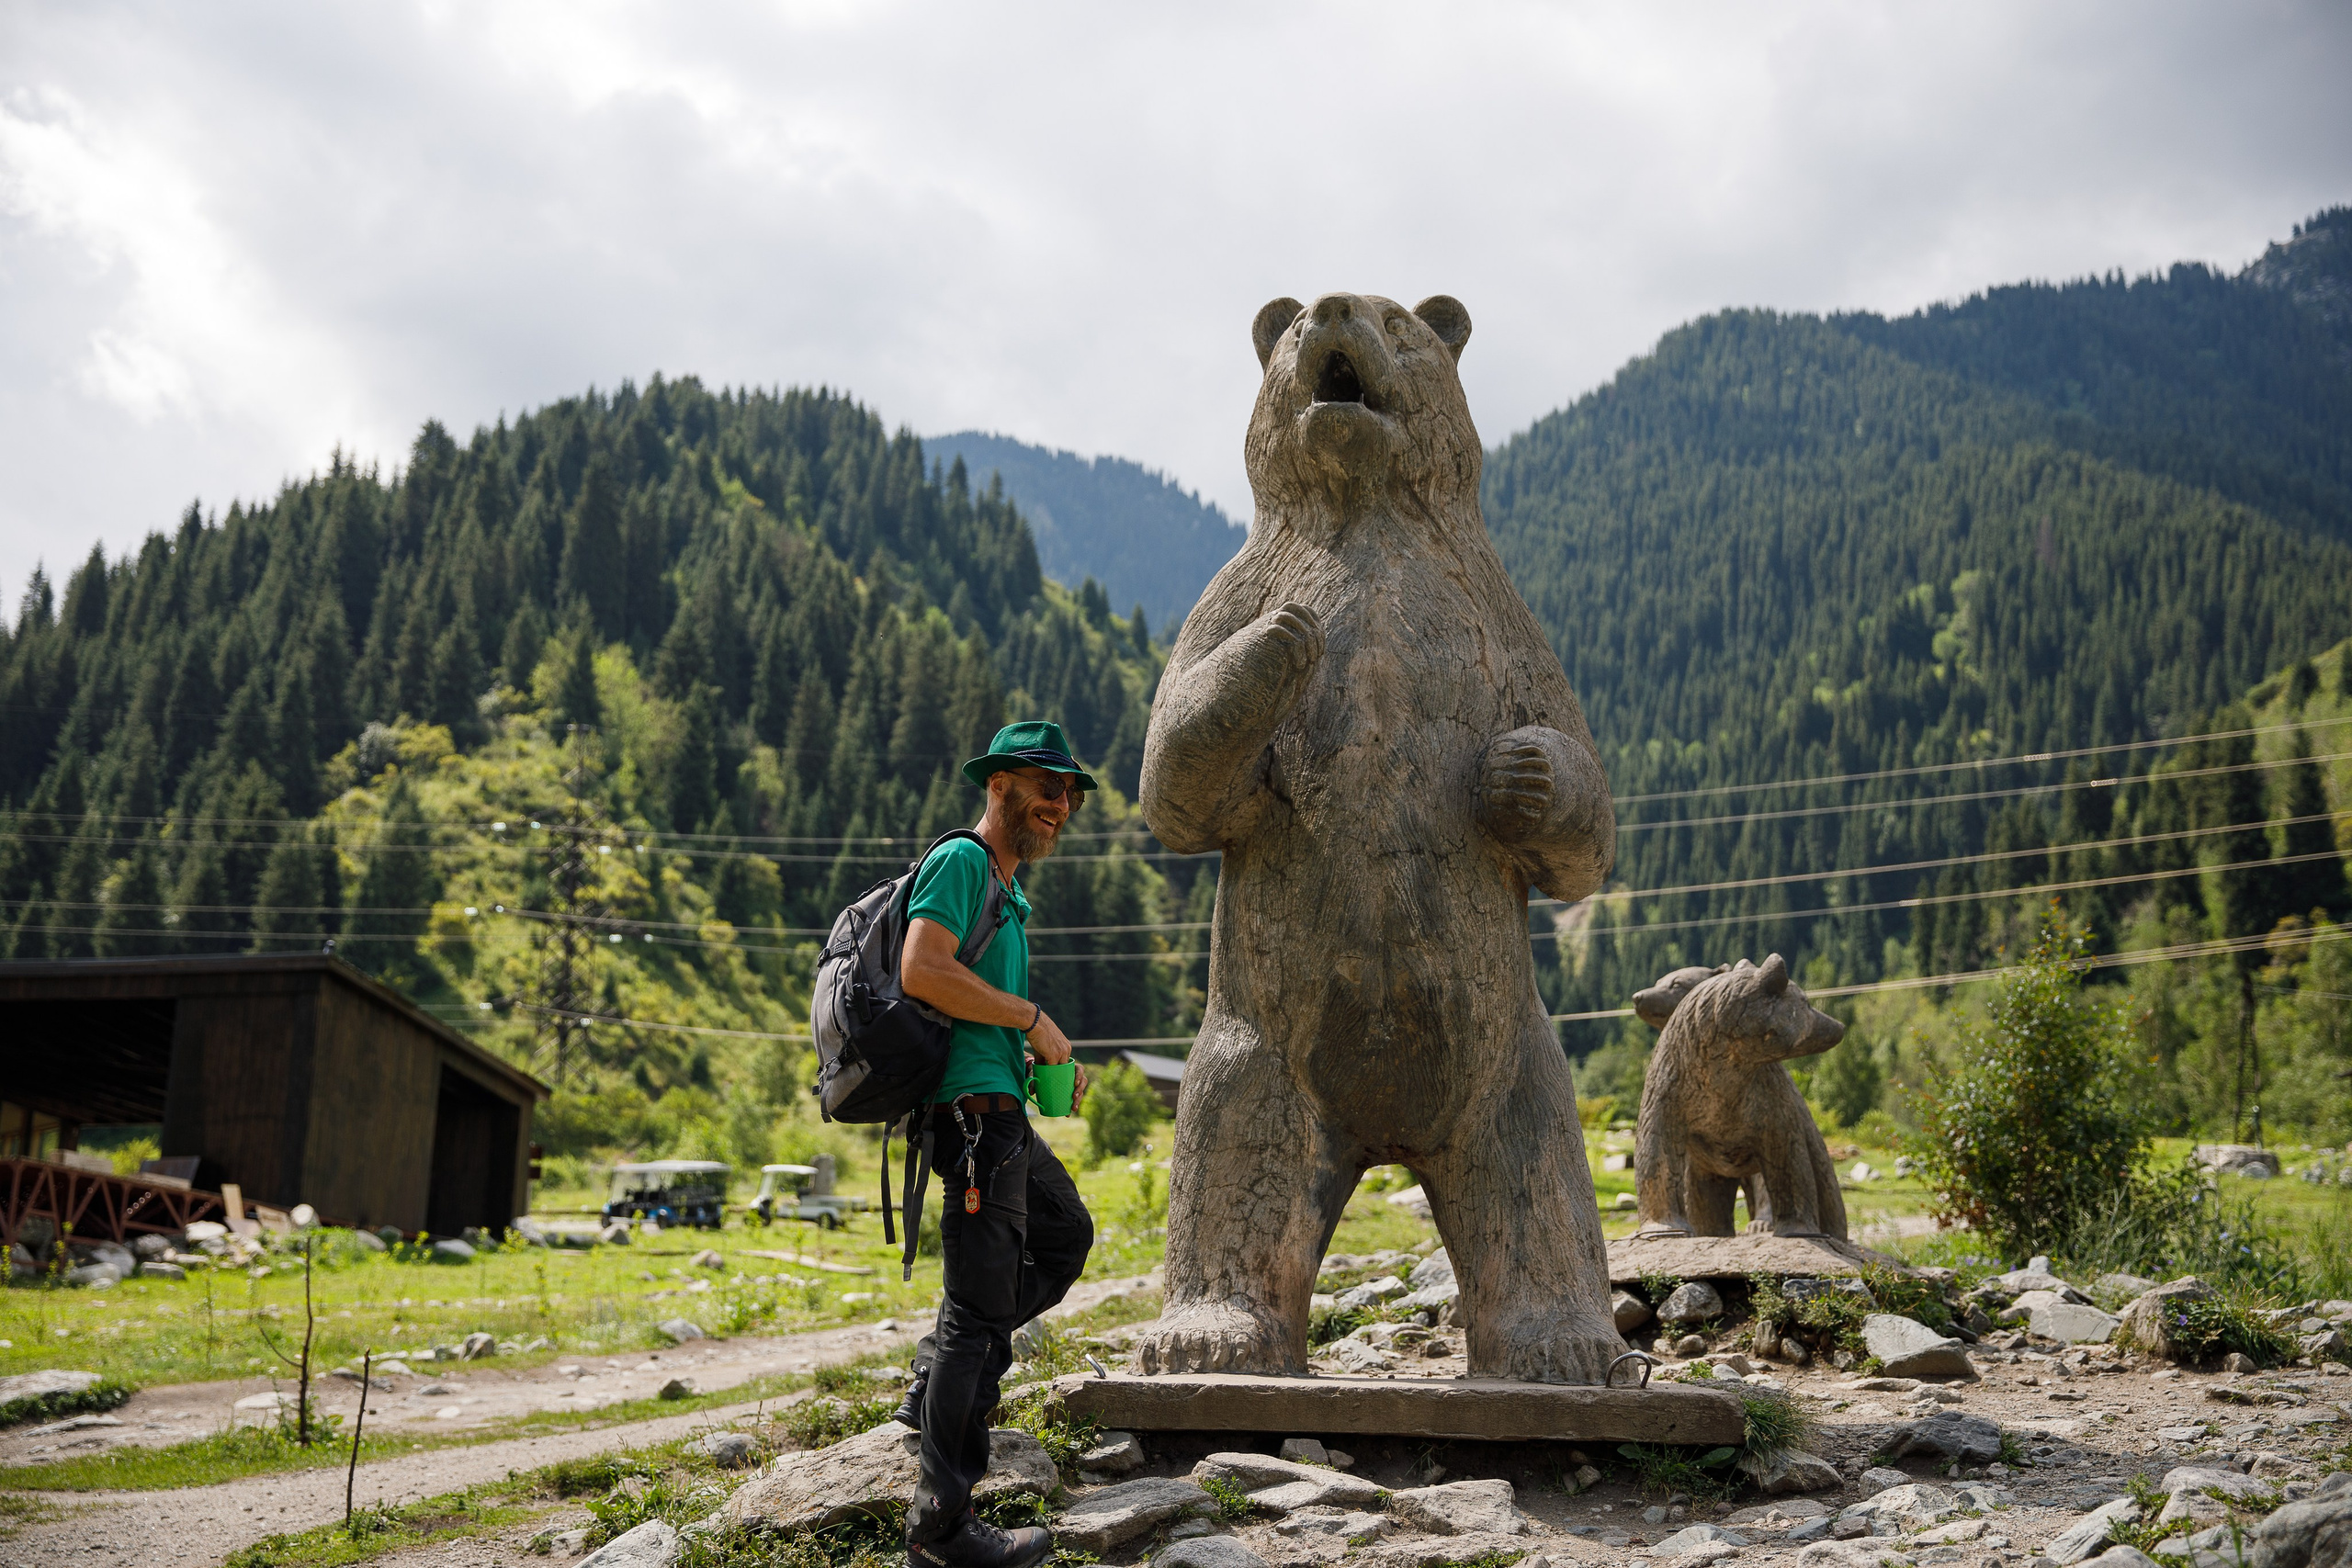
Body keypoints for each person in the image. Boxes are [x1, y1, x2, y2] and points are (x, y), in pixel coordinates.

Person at [897, 720, 1098, 1568]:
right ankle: (941, 1528)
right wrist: (1031, 1017)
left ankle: (941, 1373)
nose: (1059, 803)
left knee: (1065, 1234)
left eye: (1070, 792)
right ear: (998, 787)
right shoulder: (963, 863)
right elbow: (921, 967)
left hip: (1000, 1109)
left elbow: (968, 1005)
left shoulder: (1009, 894)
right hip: (972, 1123)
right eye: (1045, 785)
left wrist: (1030, 1051)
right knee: (979, 1310)